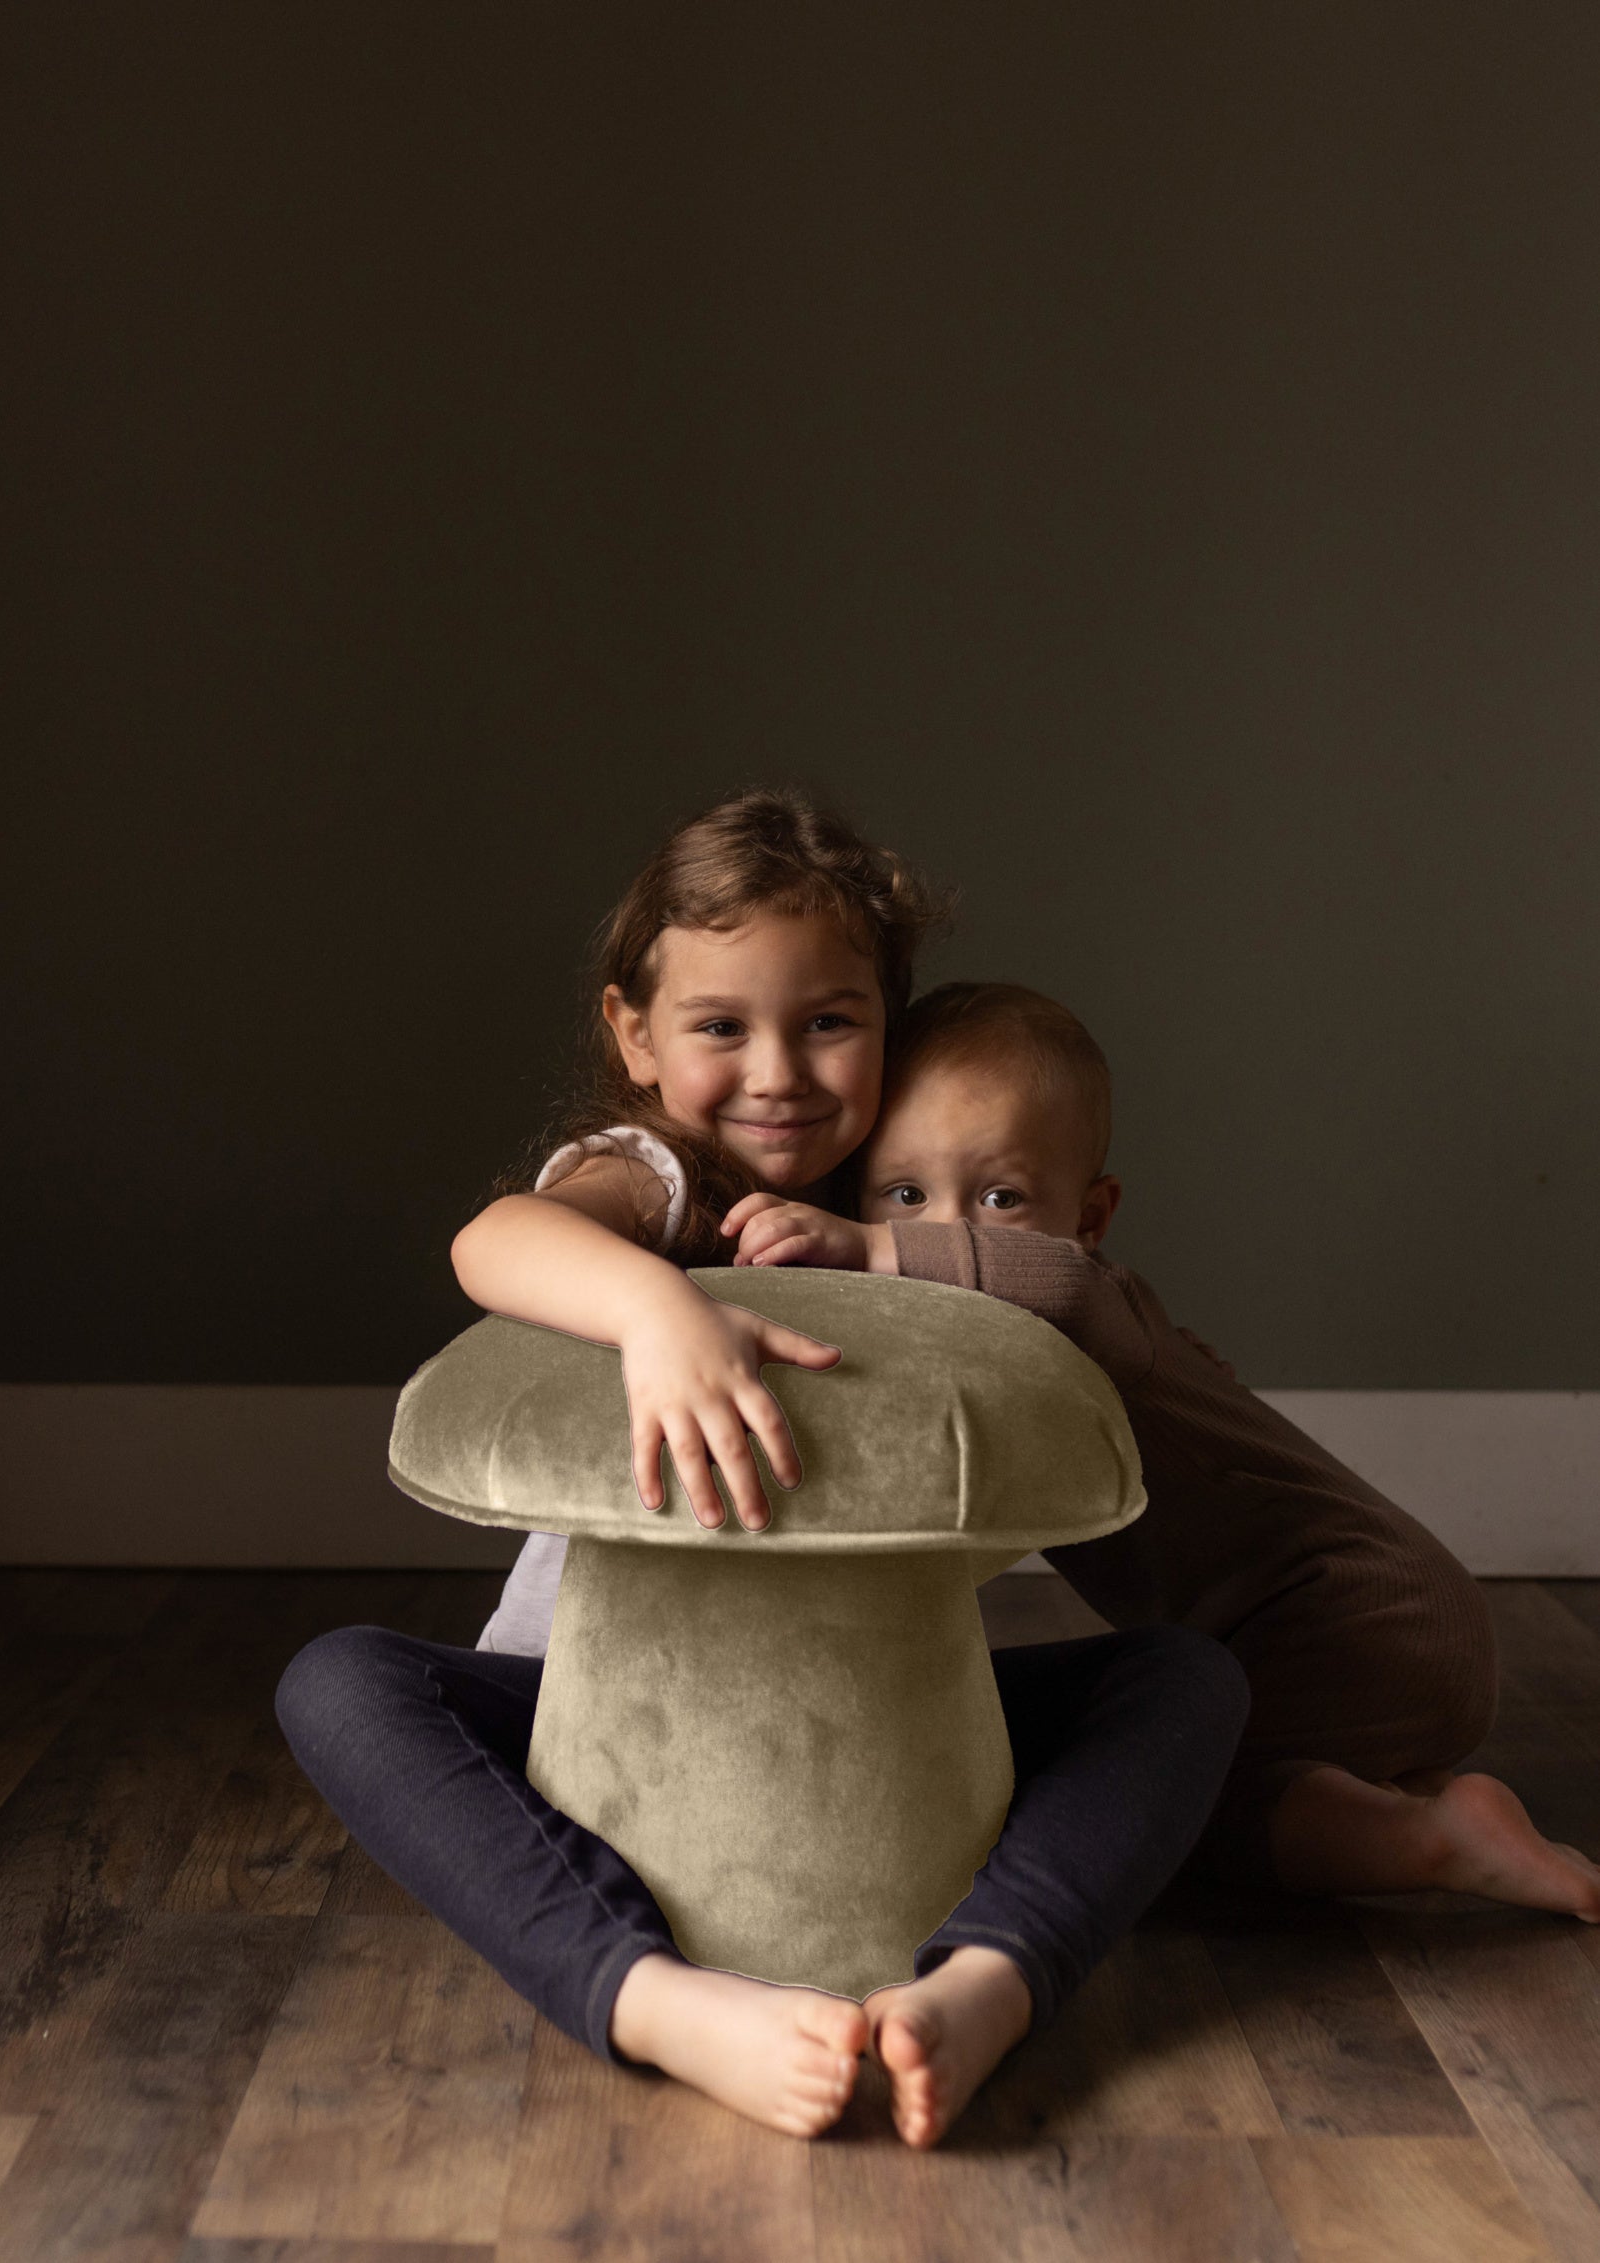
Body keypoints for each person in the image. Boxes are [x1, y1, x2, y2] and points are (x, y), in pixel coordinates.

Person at [276, 789, 1251, 2152]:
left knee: (1183, 1679)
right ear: (633, 1035)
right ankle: (651, 1996)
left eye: (829, 1021)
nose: (777, 1072)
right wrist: (657, 1309)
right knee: (340, 1680)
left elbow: (1061, 1283)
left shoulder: (893, 1192)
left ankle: (986, 1978)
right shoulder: (661, 1175)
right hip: (582, 1703)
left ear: (888, 1025)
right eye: (719, 1026)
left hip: (879, 1715)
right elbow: (493, 1241)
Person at [717, 979, 1600, 1922]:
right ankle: (1394, 1797)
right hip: (1340, 1635)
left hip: (1364, 1615)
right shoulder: (1046, 1348)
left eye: (1001, 1196)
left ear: (1091, 1219)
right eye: (903, 1193)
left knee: (1134, 1803)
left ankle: (1424, 1839)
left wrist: (864, 1243)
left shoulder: (1097, 1302)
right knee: (1199, 1773)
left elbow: (1057, 1286)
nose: (940, 1228)